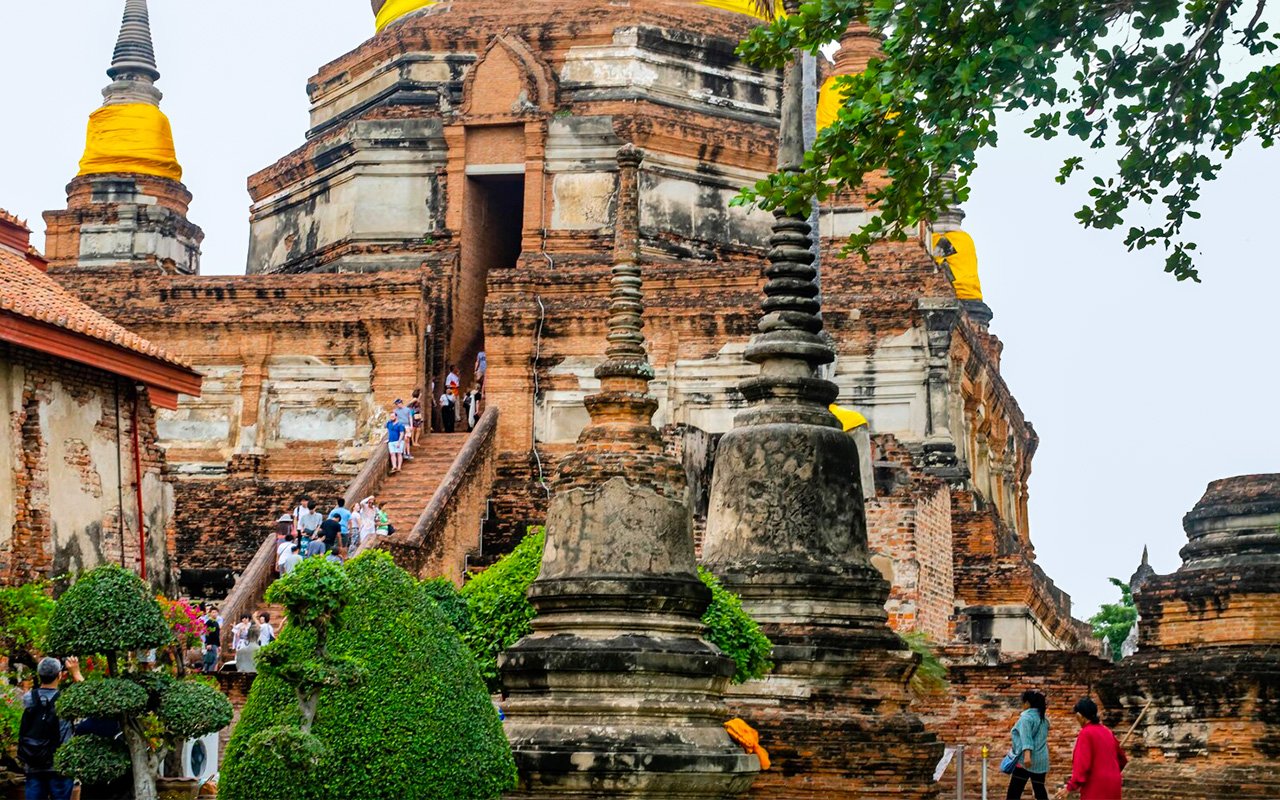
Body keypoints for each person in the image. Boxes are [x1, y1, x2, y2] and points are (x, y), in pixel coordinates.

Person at [20, 656, 84, 800]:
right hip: (59, 765)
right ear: (59, 675)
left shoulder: (29, 698)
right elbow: (91, 697)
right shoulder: (66, 700)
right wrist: (76, 673)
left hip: (33, 762)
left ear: (39, 675)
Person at [1054, 698, 1126, 800]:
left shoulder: (1086, 733)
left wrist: (1070, 787)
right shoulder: (1107, 731)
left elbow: (1082, 765)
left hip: (1096, 784)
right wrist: (1111, 770)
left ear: (1080, 716)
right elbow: (1122, 759)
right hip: (1113, 783)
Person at [1007, 690, 1051, 800]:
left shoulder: (1026, 718)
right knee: (1039, 790)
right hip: (1041, 760)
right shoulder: (1043, 719)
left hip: (1026, 761)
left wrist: (1027, 756)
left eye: (1023, 702)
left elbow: (1026, 738)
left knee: (1013, 792)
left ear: (1027, 703)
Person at [386, 408, 407, 473]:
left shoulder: (400, 425)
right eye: (391, 417)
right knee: (392, 454)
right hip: (391, 441)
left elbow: (402, 433)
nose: (392, 418)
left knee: (399, 454)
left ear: (396, 417)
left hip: (398, 441)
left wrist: (399, 441)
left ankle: (399, 467)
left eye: (393, 416)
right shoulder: (389, 423)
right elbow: (388, 431)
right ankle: (394, 466)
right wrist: (388, 439)